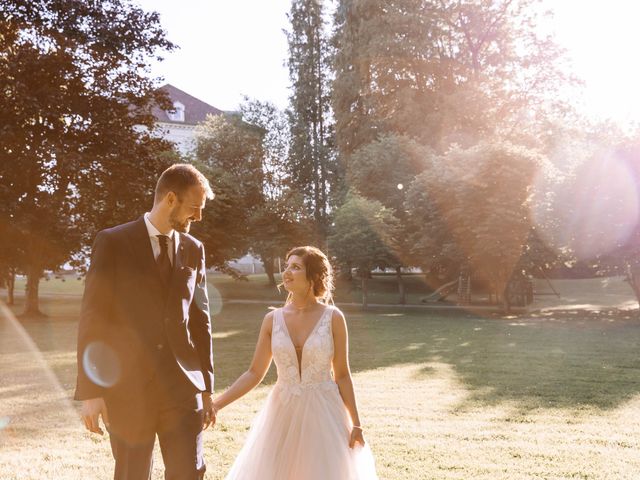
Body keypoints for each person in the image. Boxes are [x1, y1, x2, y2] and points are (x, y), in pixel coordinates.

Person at [75, 163, 217, 480]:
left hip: (183, 390)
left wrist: (206, 389)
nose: (199, 217)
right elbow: (93, 317)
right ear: (170, 199)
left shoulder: (195, 250)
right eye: (195, 208)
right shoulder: (112, 242)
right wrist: (91, 391)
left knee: (189, 473)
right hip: (128, 390)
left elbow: (200, 322)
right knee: (131, 474)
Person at [213, 246, 378, 479]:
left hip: (325, 412)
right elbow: (254, 372)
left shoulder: (333, 318)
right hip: (282, 412)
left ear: (313, 276)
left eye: (296, 267)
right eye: (287, 266)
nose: (287, 272)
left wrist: (356, 424)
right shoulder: (272, 320)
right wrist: (217, 404)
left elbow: (342, 375)